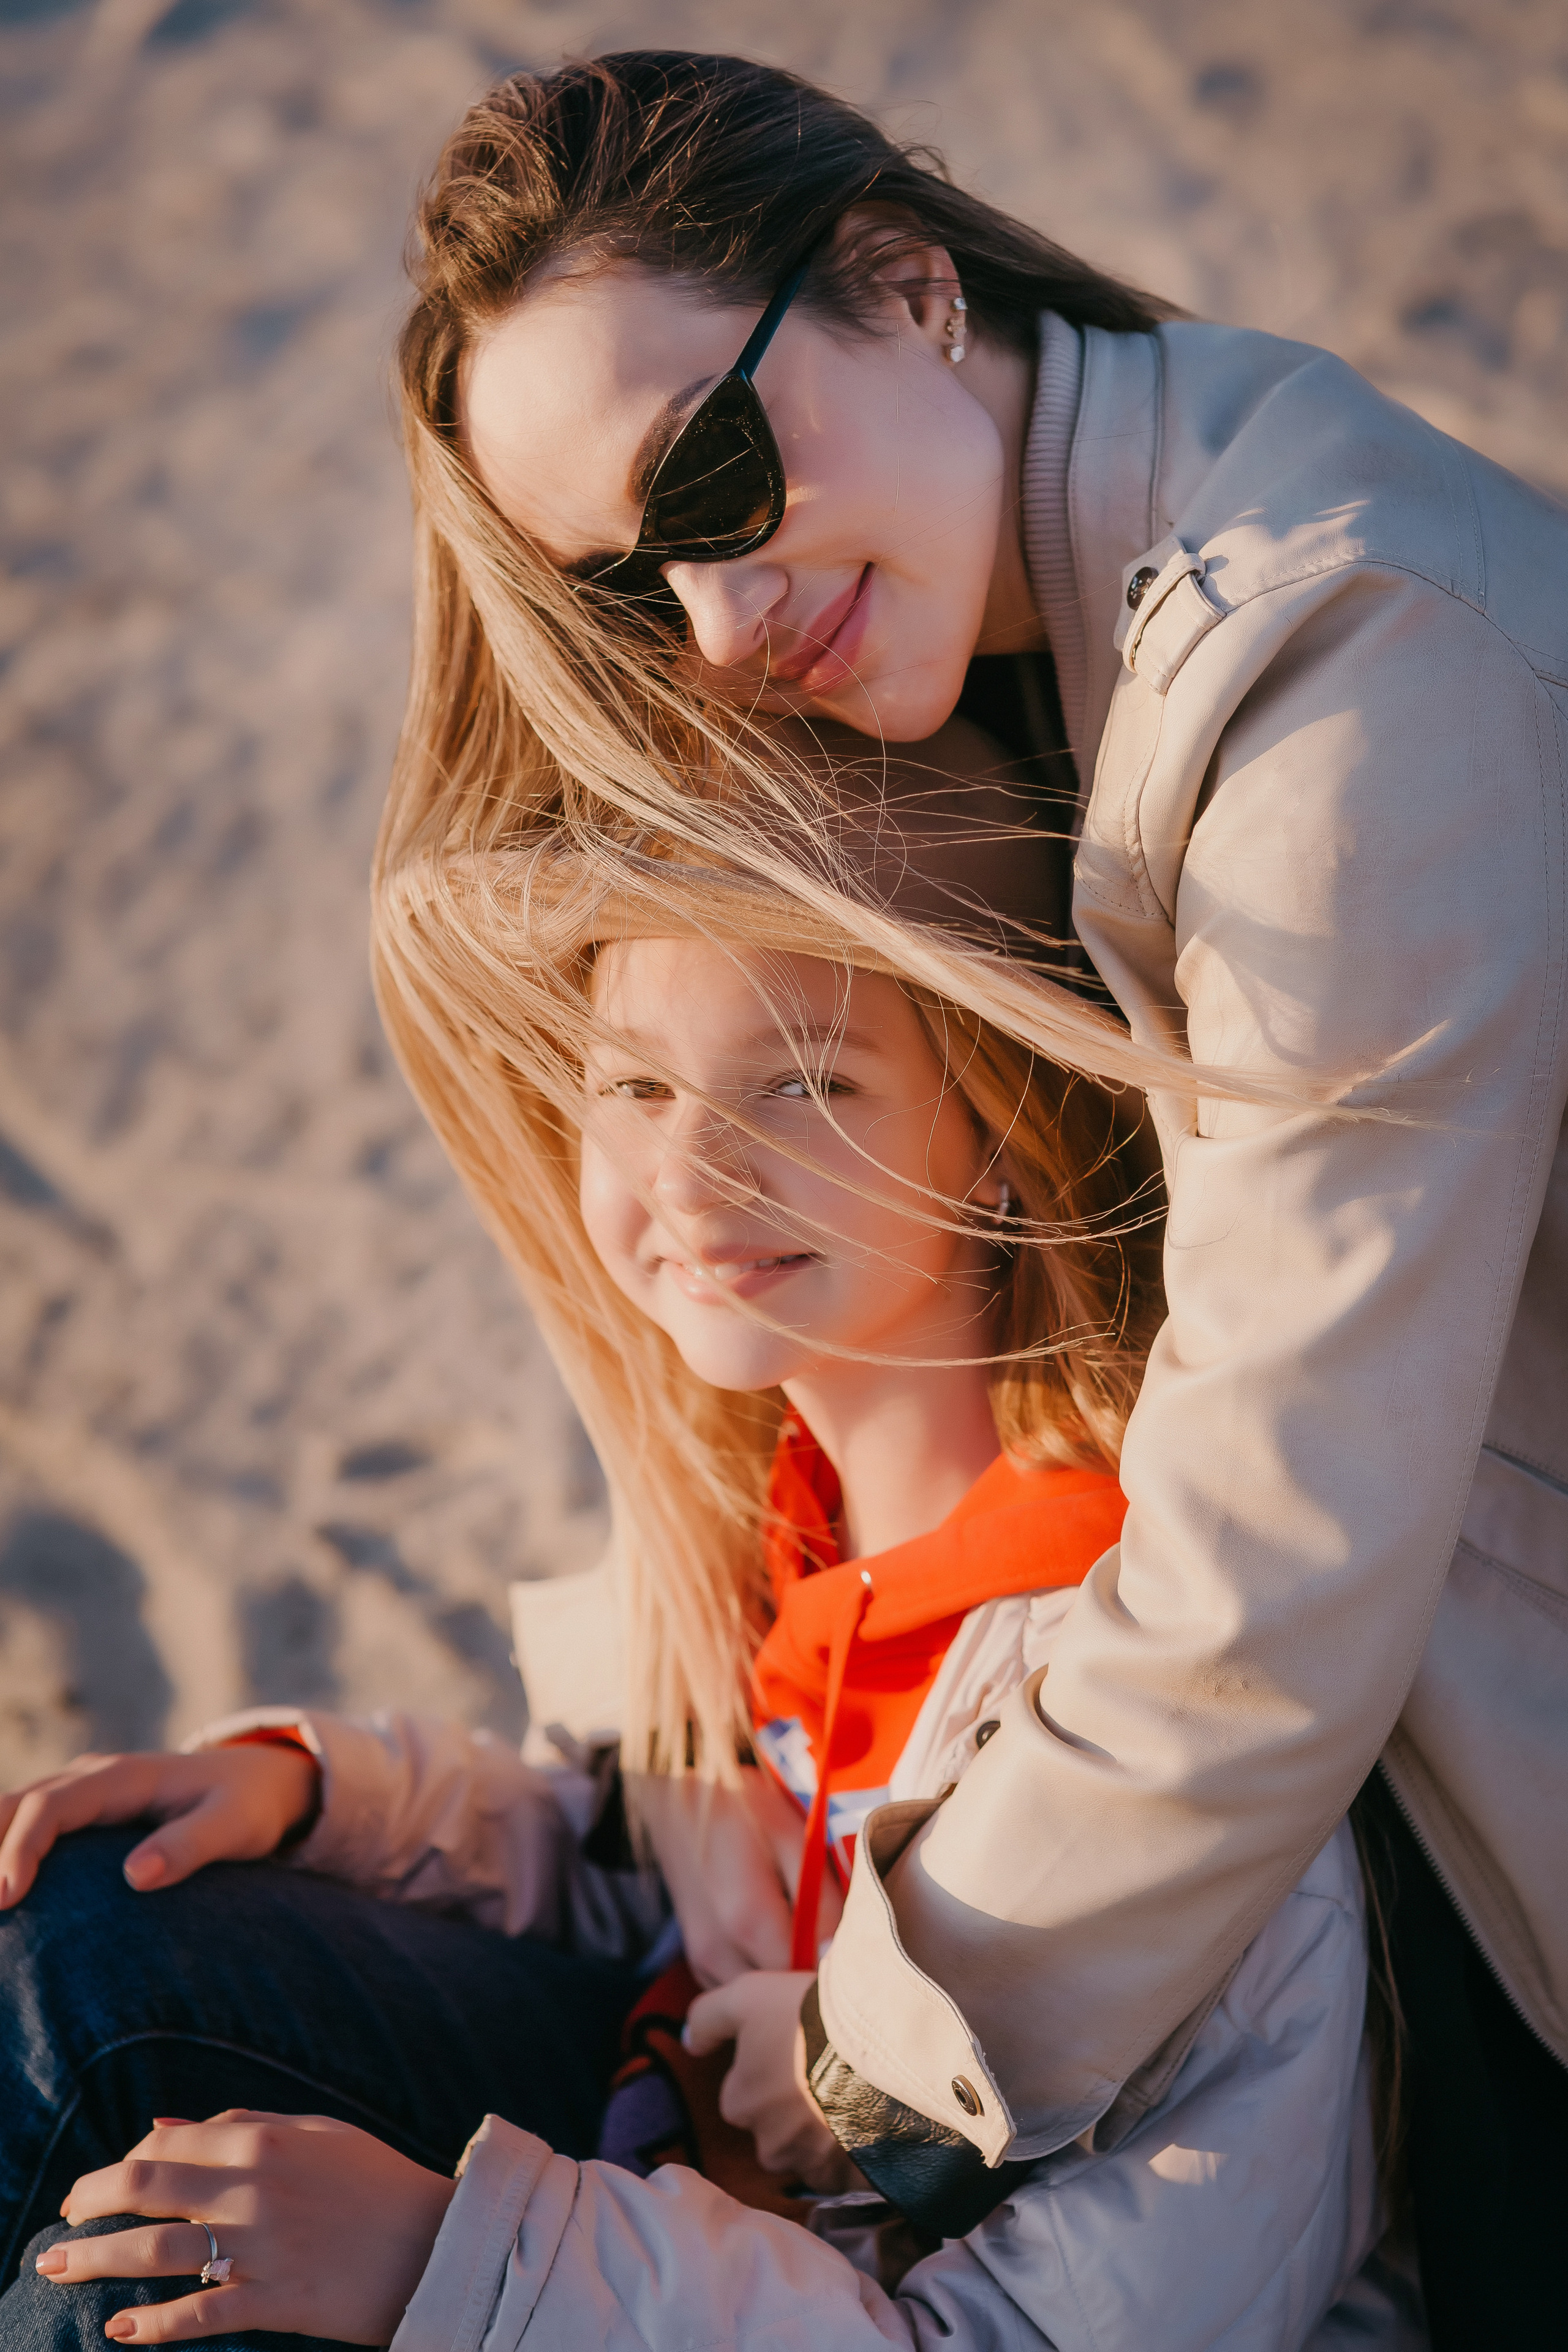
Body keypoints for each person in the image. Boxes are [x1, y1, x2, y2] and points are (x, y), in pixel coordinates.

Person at [389, 50, 1565, 2345]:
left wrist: (879, 2047)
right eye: (630, 578)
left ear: (909, 286)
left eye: (710, 477)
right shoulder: (1013, 624)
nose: (717, 625)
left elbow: (1283, 1553)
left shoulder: (1339, 667)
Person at [0, 786, 1410, 2348]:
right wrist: (331, 1799)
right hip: (667, 2175)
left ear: (1000, 1142)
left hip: (822, 2296)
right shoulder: (751, 1513)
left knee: (137, 2295)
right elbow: (642, 1870)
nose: (688, 1170)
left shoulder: (1154, 1682)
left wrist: (444, 2265)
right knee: (79, 1927)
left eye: (807, 1082)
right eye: (634, 1084)